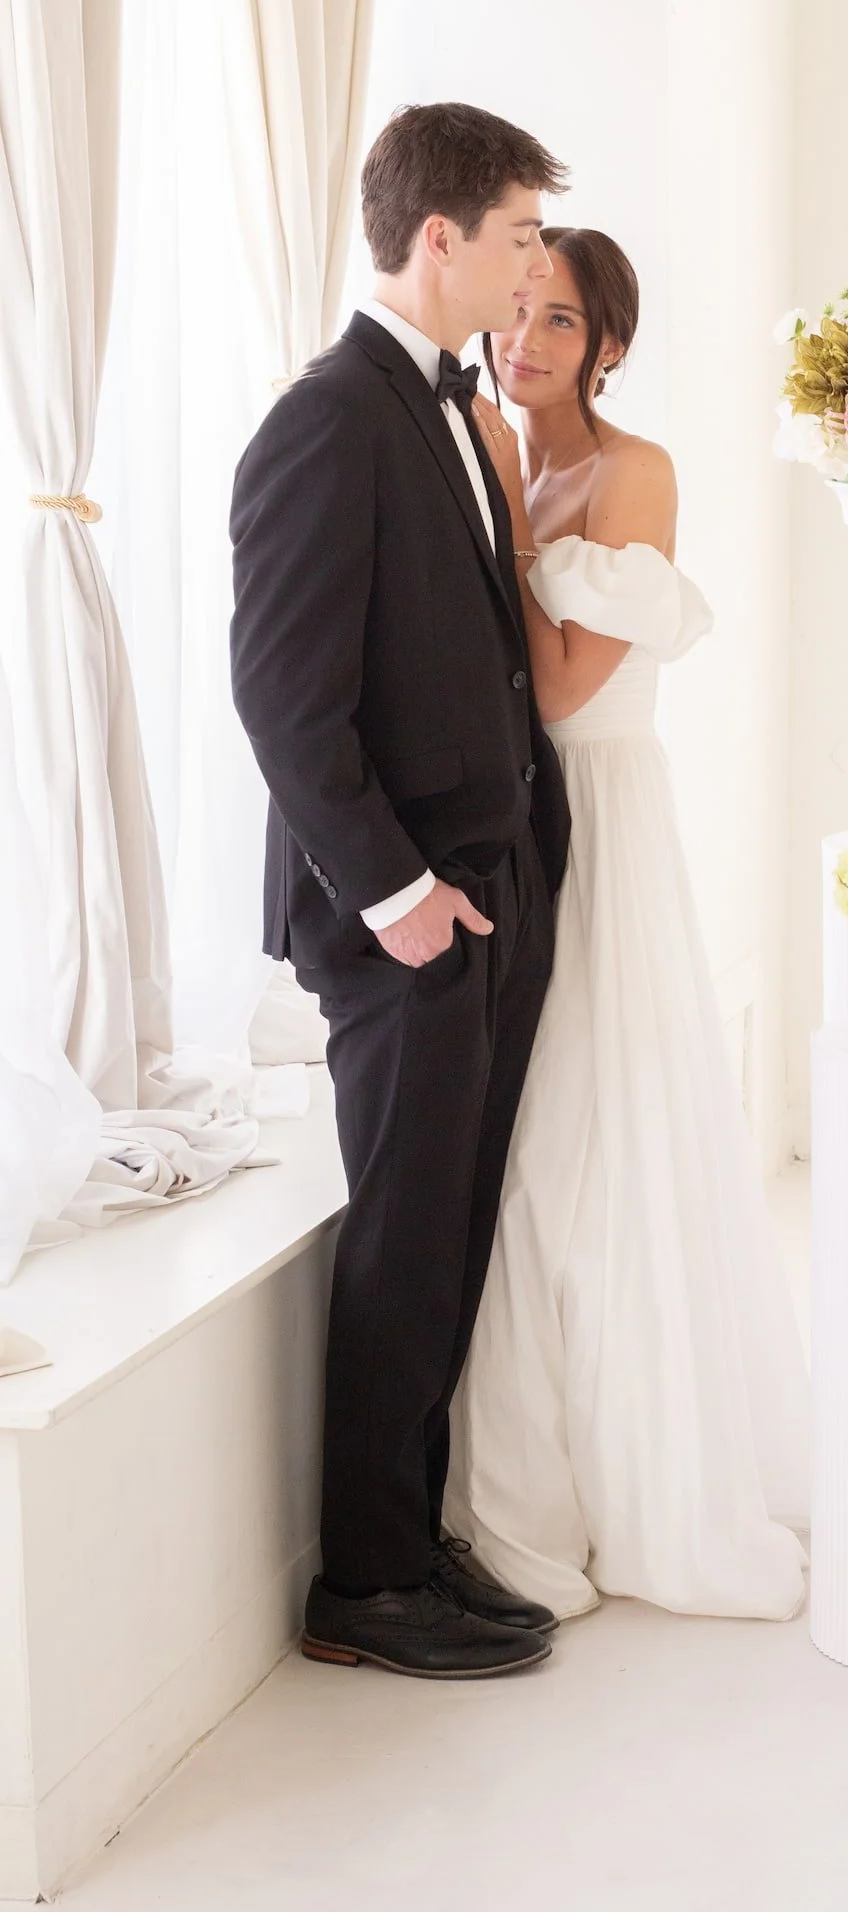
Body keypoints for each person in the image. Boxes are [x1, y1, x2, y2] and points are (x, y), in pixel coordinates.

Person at [230, 103, 574, 1678]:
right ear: (437, 237)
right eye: (516, 238)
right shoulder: (327, 417)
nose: (529, 271)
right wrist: (398, 899)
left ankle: (411, 1534)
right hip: (407, 921)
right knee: (406, 1230)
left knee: (451, 1226)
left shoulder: (443, 406)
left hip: (488, 886)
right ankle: (365, 1580)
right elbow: (286, 701)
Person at [442, 226, 809, 1620]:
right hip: (515, 830)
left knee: (585, 1154)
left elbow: (558, 690)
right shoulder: (488, 449)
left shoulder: (632, 470)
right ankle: (531, 1490)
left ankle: (630, 1489)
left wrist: (512, 522)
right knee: (529, 1156)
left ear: (607, 344)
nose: (524, 341)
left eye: (558, 322)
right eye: (514, 312)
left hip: (599, 820)